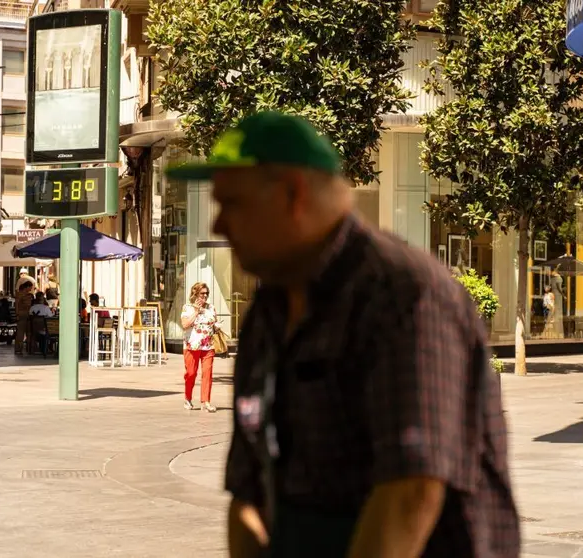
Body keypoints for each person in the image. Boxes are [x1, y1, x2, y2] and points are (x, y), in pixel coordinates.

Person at [166, 111, 519, 557]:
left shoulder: (402, 295)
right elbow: (248, 491)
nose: (219, 226)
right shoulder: (269, 311)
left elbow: (411, 493)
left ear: (293, 195)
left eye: (233, 204)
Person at [180, 283, 218, 412]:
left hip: (208, 345)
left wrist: (217, 327)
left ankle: (206, 402)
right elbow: (185, 324)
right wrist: (196, 312)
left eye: (206, 293)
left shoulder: (211, 308)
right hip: (192, 345)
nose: (205, 296)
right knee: (191, 373)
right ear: (195, 293)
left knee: (207, 373)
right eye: (202, 293)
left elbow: (214, 322)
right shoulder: (187, 308)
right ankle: (188, 398)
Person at [13, 282, 34, 356]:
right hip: (22, 314)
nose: (31, 289)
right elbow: (17, 305)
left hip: (29, 315)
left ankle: (29, 348)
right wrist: (17, 314)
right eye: (30, 287)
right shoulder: (20, 294)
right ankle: (18, 349)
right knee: (20, 333)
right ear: (27, 287)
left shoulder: (29, 295)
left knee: (29, 332)